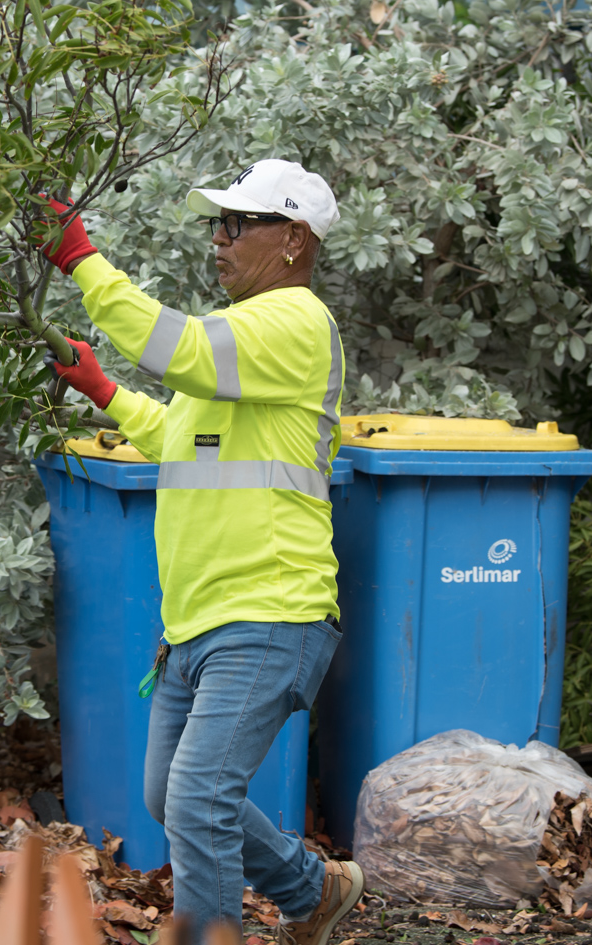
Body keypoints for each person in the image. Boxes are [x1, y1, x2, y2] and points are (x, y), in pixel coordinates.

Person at [39, 159, 362, 945]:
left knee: (195, 797)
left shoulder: (294, 322)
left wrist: (81, 257)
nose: (218, 239)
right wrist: (104, 392)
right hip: (198, 620)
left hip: (268, 610)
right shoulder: (243, 342)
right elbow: (180, 439)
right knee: (171, 795)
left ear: (293, 239)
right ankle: (313, 889)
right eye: (218, 223)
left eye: (236, 224)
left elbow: (174, 344)